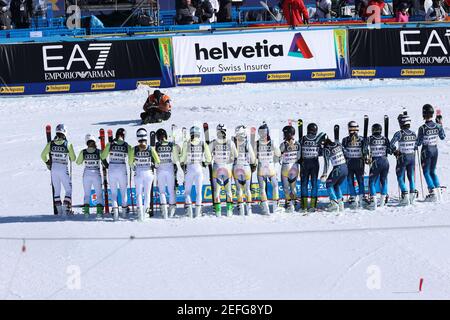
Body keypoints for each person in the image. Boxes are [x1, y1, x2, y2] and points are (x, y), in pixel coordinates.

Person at [41, 124, 76, 216]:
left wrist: (48, 162)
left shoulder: (51, 143)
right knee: (68, 190)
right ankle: (65, 210)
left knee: (57, 191)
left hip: (54, 168)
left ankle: (59, 212)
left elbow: (42, 155)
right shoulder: (67, 144)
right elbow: (73, 158)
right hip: (63, 168)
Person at [180, 126, 212, 218]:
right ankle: (198, 213)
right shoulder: (203, 143)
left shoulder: (187, 143)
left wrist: (182, 164)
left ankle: (189, 212)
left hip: (189, 168)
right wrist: (204, 163)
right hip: (199, 168)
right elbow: (209, 159)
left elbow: (182, 159)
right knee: (199, 192)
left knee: (187, 192)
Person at [128, 128, 160, 221]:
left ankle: (139, 212)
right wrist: (154, 165)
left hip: (138, 173)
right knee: (147, 194)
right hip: (148, 173)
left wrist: (134, 167)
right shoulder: (151, 149)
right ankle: (146, 213)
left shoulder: (134, 149)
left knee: (138, 194)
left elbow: (130, 162)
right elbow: (158, 161)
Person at [101, 128, 132, 220]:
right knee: (123, 191)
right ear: (123, 135)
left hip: (112, 168)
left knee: (113, 192)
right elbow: (131, 159)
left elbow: (102, 156)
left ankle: (115, 211)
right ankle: (124, 212)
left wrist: (107, 165)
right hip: (122, 168)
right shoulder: (126, 145)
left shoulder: (110, 144)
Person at [417, 104, 446, 202]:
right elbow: (442, 137)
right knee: (432, 171)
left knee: (426, 172)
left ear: (423, 114)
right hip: (435, 150)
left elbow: (419, 142)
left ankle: (432, 192)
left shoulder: (423, 128)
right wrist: (441, 124)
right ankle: (438, 191)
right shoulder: (437, 125)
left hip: (426, 150)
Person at [209, 124, 238, 216]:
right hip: (227, 168)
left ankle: (218, 212)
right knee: (228, 191)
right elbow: (236, 155)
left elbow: (207, 155)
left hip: (217, 168)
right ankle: (229, 211)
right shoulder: (230, 142)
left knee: (216, 191)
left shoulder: (213, 142)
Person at [390, 113, 418, 206]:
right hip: (412, 157)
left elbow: (391, 144)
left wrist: (395, 151)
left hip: (402, 157)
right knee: (411, 177)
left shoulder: (399, 133)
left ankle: (405, 196)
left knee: (400, 177)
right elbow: (416, 145)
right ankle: (412, 196)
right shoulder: (413, 133)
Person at [76, 134, 104, 218]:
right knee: (98, 193)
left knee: (87, 193)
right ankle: (99, 212)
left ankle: (86, 213)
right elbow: (104, 161)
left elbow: (78, 162)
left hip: (86, 174)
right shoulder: (98, 151)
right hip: (96, 174)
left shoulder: (83, 151)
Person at [256, 123, 282, 215]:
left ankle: (265, 208)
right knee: (275, 186)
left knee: (262, 188)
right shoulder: (272, 142)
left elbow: (253, 156)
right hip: (270, 167)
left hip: (261, 168)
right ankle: (275, 208)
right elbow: (278, 154)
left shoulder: (257, 143)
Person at [155, 128, 180, 218]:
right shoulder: (171, 145)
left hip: (160, 169)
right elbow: (176, 157)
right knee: (171, 191)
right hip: (170, 169)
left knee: (162, 191)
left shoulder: (157, 145)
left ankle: (164, 211)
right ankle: (171, 211)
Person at [342, 121, 367, 209]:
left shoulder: (346, 140)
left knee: (351, 180)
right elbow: (365, 151)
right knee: (359, 180)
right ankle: (360, 197)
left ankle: (354, 197)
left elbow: (343, 152)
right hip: (358, 163)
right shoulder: (361, 139)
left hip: (351, 163)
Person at [299, 123, 323, 212]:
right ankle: (313, 205)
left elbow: (298, 150)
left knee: (304, 184)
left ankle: (304, 206)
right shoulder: (318, 139)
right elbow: (321, 152)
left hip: (304, 163)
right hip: (314, 163)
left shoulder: (302, 139)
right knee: (314, 183)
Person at [233, 125, 256, 216]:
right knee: (247, 190)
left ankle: (241, 210)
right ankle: (249, 210)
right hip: (246, 167)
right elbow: (253, 157)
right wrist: (254, 165)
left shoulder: (233, 142)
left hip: (236, 167)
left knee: (239, 190)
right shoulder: (247, 143)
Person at [320, 136, 348, 213]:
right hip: (345, 167)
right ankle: (340, 204)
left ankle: (334, 204)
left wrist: (324, 174)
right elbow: (346, 153)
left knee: (328, 184)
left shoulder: (326, 149)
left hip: (337, 168)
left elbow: (326, 163)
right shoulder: (337, 144)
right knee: (336, 185)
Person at [366, 124, 390, 210]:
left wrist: (366, 157)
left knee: (371, 181)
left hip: (376, 162)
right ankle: (382, 202)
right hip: (385, 161)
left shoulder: (370, 138)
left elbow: (365, 148)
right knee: (383, 181)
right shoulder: (385, 138)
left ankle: (374, 203)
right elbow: (390, 149)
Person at [279, 125, 301, 213]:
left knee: (286, 188)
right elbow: (299, 156)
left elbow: (279, 155)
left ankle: (289, 204)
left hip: (285, 166)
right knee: (293, 187)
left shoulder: (283, 144)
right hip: (295, 167)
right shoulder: (298, 143)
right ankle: (294, 202)